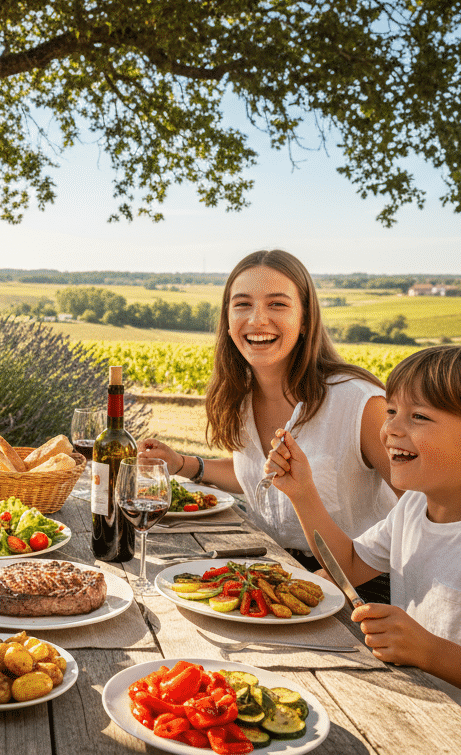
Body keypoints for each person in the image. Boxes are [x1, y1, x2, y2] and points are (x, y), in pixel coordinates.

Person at [267, 344, 461, 753]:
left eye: (418, 416)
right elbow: (345, 565)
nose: (391, 430)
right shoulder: (416, 506)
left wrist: (431, 652)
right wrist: (303, 492)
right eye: (391, 411)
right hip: (426, 724)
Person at [139, 249, 399, 599]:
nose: (257, 320)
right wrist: (184, 465)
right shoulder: (239, 396)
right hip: (273, 569)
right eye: (242, 304)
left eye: (277, 304)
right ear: (227, 320)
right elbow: (259, 475)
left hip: (369, 586)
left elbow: (424, 510)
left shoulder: (360, 404)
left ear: (306, 319)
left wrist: (343, 574)